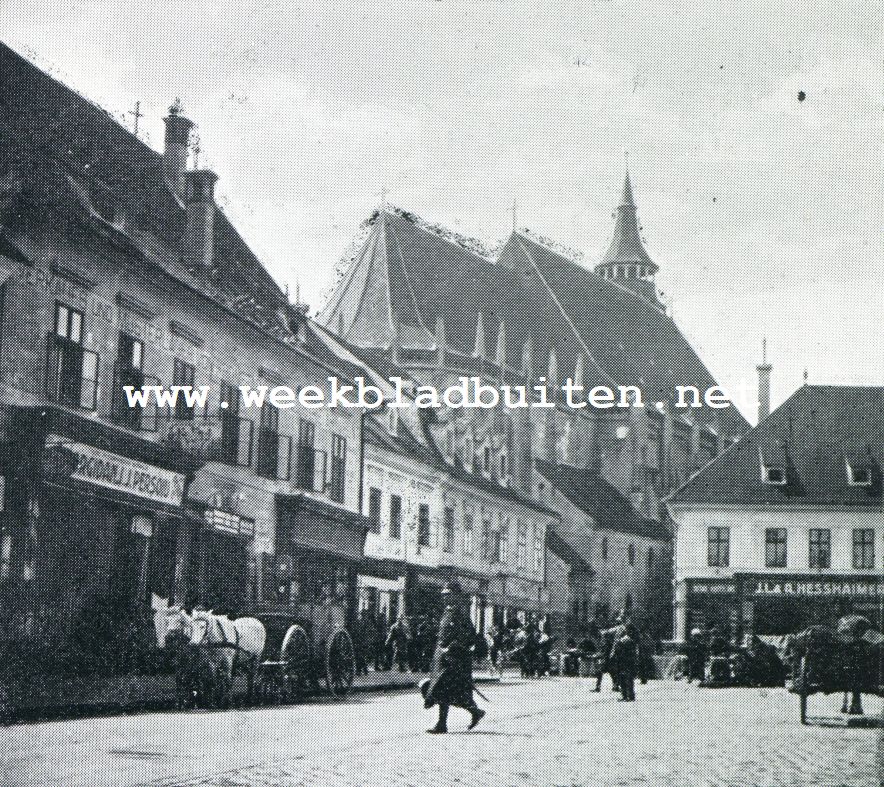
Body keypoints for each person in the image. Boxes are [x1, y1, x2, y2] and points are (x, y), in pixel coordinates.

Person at [420, 581, 485, 734]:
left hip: (454, 659)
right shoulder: (446, 612)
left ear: (456, 596)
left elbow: (469, 636)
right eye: (444, 595)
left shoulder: (461, 613)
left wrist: (453, 648)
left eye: (448, 595)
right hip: (441, 659)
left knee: (448, 690)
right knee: (446, 691)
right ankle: (474, 712)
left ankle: (443, 724)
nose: (445, 598)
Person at [611, 624, 639, 701]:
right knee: (629, 679)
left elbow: (617, 652)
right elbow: (635, 653)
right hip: (630, 662)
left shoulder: (623, 640)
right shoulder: (633, 641)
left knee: (623, 679)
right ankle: (630, 696)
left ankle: (625, 696)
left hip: (623, 662)